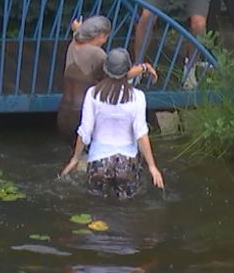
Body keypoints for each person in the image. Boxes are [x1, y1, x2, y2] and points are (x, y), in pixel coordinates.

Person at [60, 48, 165, 198]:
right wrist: (152, 167)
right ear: (128, 70)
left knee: (96, 207)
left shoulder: (93, 94)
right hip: (127, 163)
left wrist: (75, 159)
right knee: (126, 208)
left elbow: (85, 131)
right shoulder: (138, 97)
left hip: (99, 162)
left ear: (105, 69)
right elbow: (141, 134)